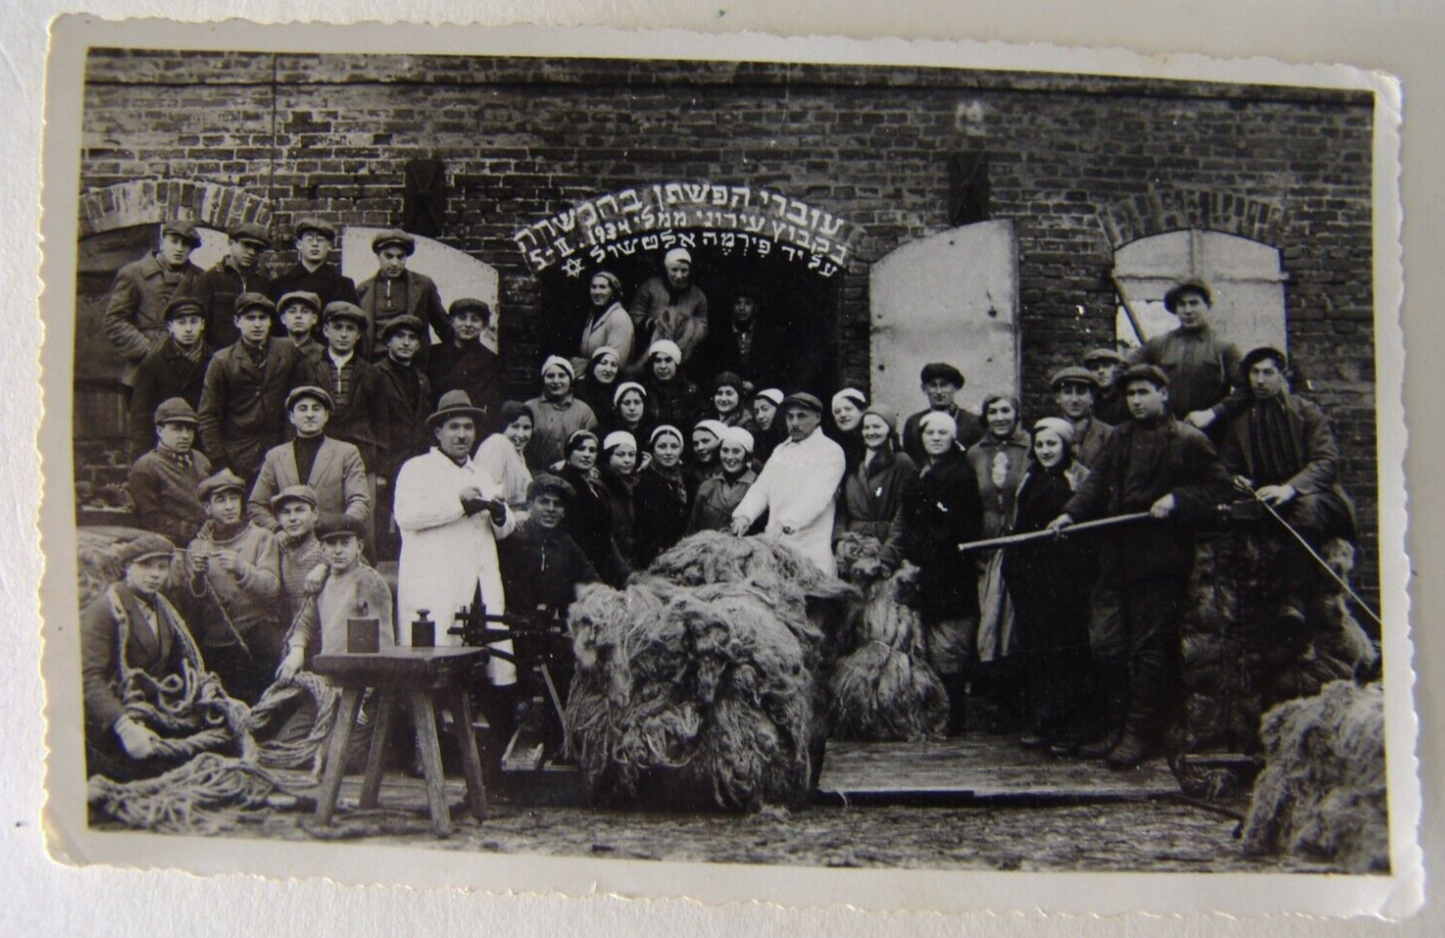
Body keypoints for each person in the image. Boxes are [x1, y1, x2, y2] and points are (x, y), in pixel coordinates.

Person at [1047, 364, 1233, 768]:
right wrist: (1070, 515)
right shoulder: (1119, 437)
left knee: (1149, 649)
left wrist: (1178, 499)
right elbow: (1096, 482)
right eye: (1130, 395)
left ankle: (1138, 735)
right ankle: (1113, 728)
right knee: (1108, 644)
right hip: (1116, 556)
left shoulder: (1188, 439)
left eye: (1144, 393)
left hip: (1160, 560)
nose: (1136, 401)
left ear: (1163, 394)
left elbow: (1219, 486)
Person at [1217, 346, 1357, 626]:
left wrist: (1290, 488)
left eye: (1268, 372)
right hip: (1267, 500)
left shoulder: (1307, 413)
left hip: (1316, 496)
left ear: (1282, 375)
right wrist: (1235, 479)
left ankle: (1291, 599)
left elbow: (1326, 461)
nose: (1260, 380)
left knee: (1306, 508)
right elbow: (1224, 467)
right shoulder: (1240, 423)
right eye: (1254, 373)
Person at [392, 390, 517, 691]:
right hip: (436, 586)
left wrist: (500, 514)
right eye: (454, 427)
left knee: (485, 665)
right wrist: (459, 506)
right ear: (438, 432)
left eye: (468, 427)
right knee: (436, 668)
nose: (462, 435)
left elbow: (505, 528)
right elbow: (407, 516)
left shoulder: (482, 474)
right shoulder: (417, 469)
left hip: (478, 587)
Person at [882, 411, 983, 735]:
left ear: (952, 438)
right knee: (928, 645)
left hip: (950, 570)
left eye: (942, 433)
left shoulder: (960, 475)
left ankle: (952, 717)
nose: (935, 438)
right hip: (925, 571)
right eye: (930, 433)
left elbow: (955, 528)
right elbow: (908, 518)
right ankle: (934, 713)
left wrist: (922, 558)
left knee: (950, 646)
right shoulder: (921, 473)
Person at [1004, 418, 1097, 755]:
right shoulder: (1030, 477)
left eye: (1052, 444)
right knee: (1037, 650)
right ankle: (1043, 721)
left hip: (1065, 577)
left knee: (1066, 650)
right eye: (1040, 445)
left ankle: (1070, 726)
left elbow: (1088, 528)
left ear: (1066, 446)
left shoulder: (1079, 478)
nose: (1045, 451)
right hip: (1032, 577)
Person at [81, 535, 202, 781]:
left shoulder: (163, 607)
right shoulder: (105, 610)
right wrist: (124, 726)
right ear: (127, 567)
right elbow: (89, 679)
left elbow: (179, 660)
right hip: (112, 724)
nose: (155, 575)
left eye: (162, 567)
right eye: (145, 566)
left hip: (154, 713)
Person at [185, 468, 283, 704]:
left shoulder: (261, 538)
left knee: (264, 703)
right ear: (208, 508)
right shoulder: (197, 546)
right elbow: (192, 604)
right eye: (220, 500)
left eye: (234, 499)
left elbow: (272, 589)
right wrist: (197, 577)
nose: (229, 506)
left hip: (257, 637)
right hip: (219, 640)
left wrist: (242, 568)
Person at [965, 392, 1032, 730]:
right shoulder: (976, 454)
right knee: (988, 618)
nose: (1000, 417)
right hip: (987, 543)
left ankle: (1018, 701)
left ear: (1017, 414)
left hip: (1021, 541)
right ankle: (993, 704)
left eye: (1006, 410)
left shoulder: (1032, 447)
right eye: (993, 412)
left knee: (1015, 618)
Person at [196, 292, 312, 484]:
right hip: (238, 456)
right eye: (250, 318)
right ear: (237, 321)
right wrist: (221, 465)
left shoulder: (287, 350)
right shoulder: (222, 361)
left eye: (262, 318)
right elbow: (208, 416)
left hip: (281, 451)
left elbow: (299, 401)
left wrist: (293, 447)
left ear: (270, 322)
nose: (257, 324)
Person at [731, 392, 847, 576]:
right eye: (790, 416)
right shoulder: (781, 450)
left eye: (802, 416)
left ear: (817, 418)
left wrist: (786, 522)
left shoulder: (830, 451)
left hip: (810, 549)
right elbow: (762, 487)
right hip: (776, 548)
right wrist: (745, 515)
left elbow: (817, 497)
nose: (794, 422)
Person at [277, 513, 395, 678]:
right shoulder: (322, 581)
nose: (338, 550)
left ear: (359, 547)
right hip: (329, 676)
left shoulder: (369, 582)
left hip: (359, 679)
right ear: (323, 549)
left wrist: (366, 690)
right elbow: (304, 623)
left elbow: (383, 642)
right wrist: (297, 650)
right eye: (331, 544)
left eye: (345, 544)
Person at [246, 385, 371, 533]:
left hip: (330, 541)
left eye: (316, 408)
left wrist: (338, 530)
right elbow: (256, 505)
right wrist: (278, 530)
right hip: (288, 545)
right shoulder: (275, 456)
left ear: (326, 416)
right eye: (303, 409)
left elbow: (360, 501)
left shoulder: (346, 452)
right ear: (292, 417)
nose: (310, 414)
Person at [102, 218, 204, 392]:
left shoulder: (200, 277)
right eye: (174, 241)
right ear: (162, 241)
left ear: (192, 249)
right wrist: (148, 350)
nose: (179, 249)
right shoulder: (133, 273)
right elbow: (114, 321)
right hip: (145, 369)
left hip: (187, 369)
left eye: (186, 244)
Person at [1128, 278, 1244, 430]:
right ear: (1175, 309)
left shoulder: (1224, 347)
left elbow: (1245, 389)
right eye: (1182, 304)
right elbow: (1124, 369)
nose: (1188, 310)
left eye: (1194, 303)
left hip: (1212, 434)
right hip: (1166, 432)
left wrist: (1212, 413)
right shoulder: (1158, 344)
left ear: (1208, 306)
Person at [372, 314, 435, 555]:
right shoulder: (375, 374)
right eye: (400, 337)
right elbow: (373, 421)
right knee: (381, 516)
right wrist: (380, 467)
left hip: (415, 459)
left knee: (412, 518)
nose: (406, 343)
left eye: (412, 338)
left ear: (419, 345)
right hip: (387, 459)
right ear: (388, 342)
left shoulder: (422, 379)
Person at [126, 295, 213, 461]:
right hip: (168, 452)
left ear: (202, 325)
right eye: (181, 323)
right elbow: (142, 420)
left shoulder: (217, 360)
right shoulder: (153, 365)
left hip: (206, 451)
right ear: (170, 326)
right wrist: (143, 461)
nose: (188, 329)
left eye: (194, 322)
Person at [305, 301, 383, 475]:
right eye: (338, 327)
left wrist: (380, 470)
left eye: (350, 329)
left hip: (361, 456)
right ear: (326, 330)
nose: (343, 334)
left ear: (358, 335)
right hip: (318, 453)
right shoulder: (308, 367)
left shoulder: (371, 372)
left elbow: (380, 422)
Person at [356, 229, 450, 365]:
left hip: (412, 366)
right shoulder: (363, 289)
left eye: (400, 257)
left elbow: (442, 325)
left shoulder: (423, 285)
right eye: (388, 256)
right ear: (378, 256)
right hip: (374, 367)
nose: (395, 263)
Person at [127, 398, 213, 547]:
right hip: (174, 545)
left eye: (190, 429)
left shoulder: (201, 460)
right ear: (159, 430)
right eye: (177, 428)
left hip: (212, 537)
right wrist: (194, 530)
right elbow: (151, 519)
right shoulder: (146, 467)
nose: (186, 436)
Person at [832, 404, 916, 548]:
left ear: (889, 430)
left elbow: (904, 513)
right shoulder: (854, 462)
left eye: (877, 427)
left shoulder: (901, 462)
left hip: (884, 541)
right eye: (866, 427)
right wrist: (839, 539)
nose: (871, 432)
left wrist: (888, 552)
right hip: (852, 543)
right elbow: (842, 508)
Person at [557, 429, 631, 587]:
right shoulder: (564, 484)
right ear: (568, 453)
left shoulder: (593, 485)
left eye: (592, 450)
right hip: (579, 564)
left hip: (599, 561)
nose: (587, 455)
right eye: (581, 449)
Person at [427, 297, 503, 431]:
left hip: (474, 431)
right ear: (452, 321)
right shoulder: (433, 355)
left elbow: (492, 406)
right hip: (439, 429)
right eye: (462, 318)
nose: (468, 324)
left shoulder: (492, 361)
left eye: (475, 319)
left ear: (484, 325)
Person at [193, 221, 272, 350]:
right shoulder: (210, 279)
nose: (251, 252)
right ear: (230, 243)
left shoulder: (263, 282)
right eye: (246, 245)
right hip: (219, 355)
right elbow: (199, 324)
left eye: (257, 248)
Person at [629, 247, 709, 368]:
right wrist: (654, 325)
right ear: (666, 269)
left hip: (683, 352)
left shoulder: (698, 296)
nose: (679, 275)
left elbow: (703, 325)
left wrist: (687, 329)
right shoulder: (650, 287)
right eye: (674, 269)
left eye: (684, 270)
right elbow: (635, 315)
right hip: (649, 348)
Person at [267, 217, 360, 311]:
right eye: (309, 239)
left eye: (320, 239)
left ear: (329, 246)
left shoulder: (343, 286)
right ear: (299, 245)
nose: (315, 244)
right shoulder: (280, 285)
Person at [524, 355, 598, 472]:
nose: (556, 381)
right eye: (550, 376)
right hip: (534, 475)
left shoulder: (583, 411)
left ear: (570, 379)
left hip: (573, 477)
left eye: (562, 376)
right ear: (543, 379)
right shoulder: (530, 408)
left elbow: (593, 448)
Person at [632, 425, 691, 567]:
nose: (668, 452)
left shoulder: (689, 480)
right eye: (662, 446)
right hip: (653, 556)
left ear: (681, 450)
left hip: (685, 552)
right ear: (653, 449)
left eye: (674, 447)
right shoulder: (642, 480)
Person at [901, 362, 985, 463]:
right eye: (933, 385)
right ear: (924, 389)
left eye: (944, 385)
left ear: (956, 387)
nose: (939, 392)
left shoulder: (972, 422)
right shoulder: (914, 423)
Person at [268, 484, 326, 622]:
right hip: (294, 629)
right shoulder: (281, 548)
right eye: (286, 512)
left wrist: (325, 565)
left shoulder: (325, 548)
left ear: (315, 514)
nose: (292, 518)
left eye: (300, 510)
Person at [689, 426, 758, 533]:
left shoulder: (758, 485)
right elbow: (692, 529)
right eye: (725, 450)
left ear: (747, 455)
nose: (729, 457)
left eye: (736, 451)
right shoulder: (708, 486)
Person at [475, 401, 536, 514]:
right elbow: (488, 495)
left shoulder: (518, 453)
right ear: (502, 426)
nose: (521, 435)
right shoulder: (497, 442)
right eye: (515, 427)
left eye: (526, 428)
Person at [1051, 365, 1115, 469]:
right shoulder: (1047, 432)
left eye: (1081, 392)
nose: (1074, 399)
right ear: (1058, 398)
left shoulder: (1109, 435)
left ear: (1092, 398)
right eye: (1068, 392)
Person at [573, 270, 634, 374]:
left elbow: (617, 361)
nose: (597, 292)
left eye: (602, 287)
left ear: (612, 291)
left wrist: (586, 365)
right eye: (593, 287)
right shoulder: (593, 315)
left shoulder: (619, 318)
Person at [641, 339, 702, 430]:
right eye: (658, 361)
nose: (663, 366)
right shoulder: (645, 390)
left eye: (668, 360)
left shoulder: (691, 390)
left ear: (676, 363)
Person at [598, 430, 640, 559]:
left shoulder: (636, 483)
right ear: (608, 456)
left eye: (631, 455)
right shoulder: (601, 487)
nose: (627, 460)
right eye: (620, 455)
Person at [277, 290, 326, 366]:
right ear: (283, 319)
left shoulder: (323, 354)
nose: (298, 316)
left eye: (305, 311)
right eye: (292, 311)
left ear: (314, 319)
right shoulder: (274, 352)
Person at [1083, 347, 1130, 426]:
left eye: (1106, 366)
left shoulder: (1127, 397)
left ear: (1117, 369)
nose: (1100, 371)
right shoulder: (1091, 401)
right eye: (1095, 368)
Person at [575, 345, 623, 418]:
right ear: (593, 365)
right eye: (603, 363)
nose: (608, 369)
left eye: (613, 365)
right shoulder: (582, 389)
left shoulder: (619, 391)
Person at [686, 418, 728, 500]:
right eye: (696, 444)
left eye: (705, 441)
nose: (700, 447)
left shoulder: (738, 468)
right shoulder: (691, 474)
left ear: (720, 441)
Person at [829, 387, 869, 471]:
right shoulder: (832, 445)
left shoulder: (874, 440)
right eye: (837, 412)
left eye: (848, 409)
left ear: (862, 411)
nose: (842, 414)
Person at [750, 387, 786, 465]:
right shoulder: (756, 440)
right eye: (756, 412)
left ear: (779, 409)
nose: (760, 416)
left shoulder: (790, 438)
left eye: (765, 409)